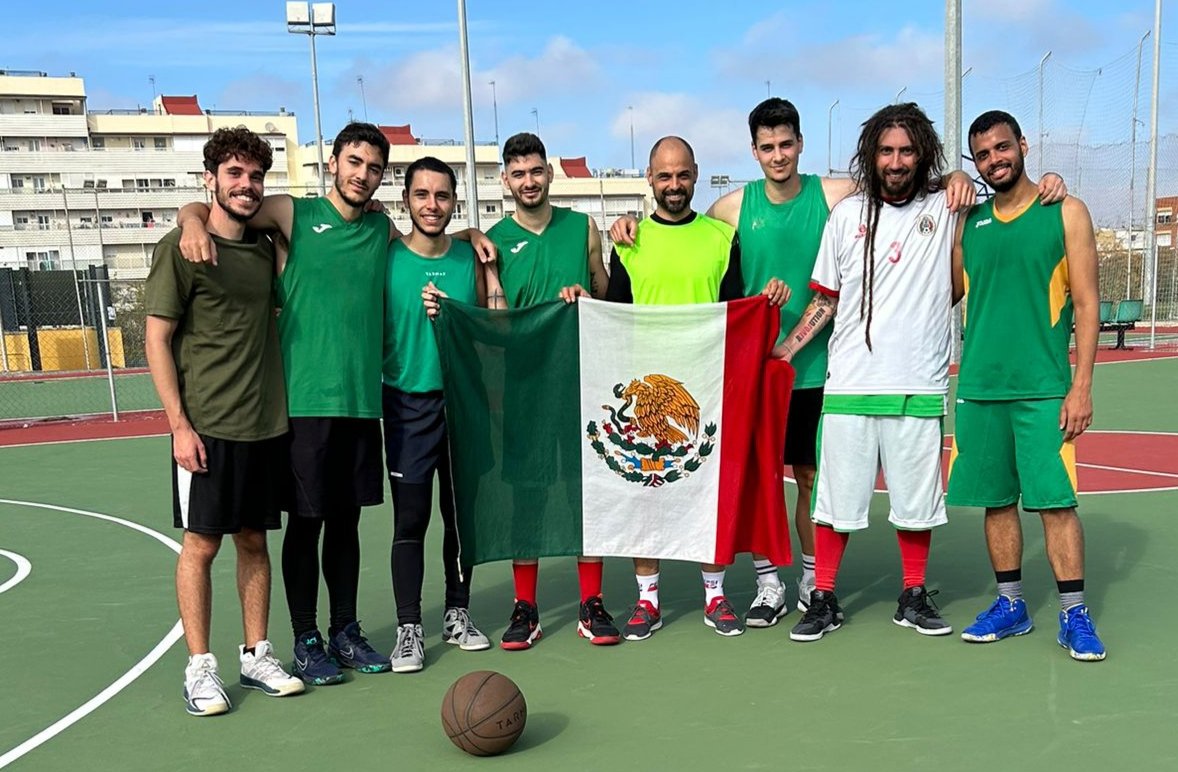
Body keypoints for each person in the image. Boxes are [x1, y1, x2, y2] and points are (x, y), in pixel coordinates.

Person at [611, 99, 977, 627]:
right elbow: (675, 226)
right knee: (759, 477)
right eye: (767, 147)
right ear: (753, 151)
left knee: (809, 477)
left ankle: (812, 582)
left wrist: (955, 176)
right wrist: (630, 221)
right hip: (751, 370)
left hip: (821, 368)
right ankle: (767, 584)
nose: (778, 155)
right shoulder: (729, 212)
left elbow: (900, 178)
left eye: (786, 144)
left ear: (800, 144)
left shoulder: (835, 195)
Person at [178, 123, 494, 684]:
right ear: (332, 162)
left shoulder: (379, 229)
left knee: (346, 523)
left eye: (373, 167)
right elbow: (227, 205)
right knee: (306, 523)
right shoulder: (292, 215)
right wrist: (189, 218)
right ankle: (305, 637)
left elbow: (428, 241)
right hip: (301, 405)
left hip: (360, 405)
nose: (361, 174)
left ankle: (345, 630)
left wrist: (470, 234)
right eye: (354, 162)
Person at [146, 127, 304, 716]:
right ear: (210, 178)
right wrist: (177, 426)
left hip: (264, 426)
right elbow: (157, 339)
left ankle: (257, 652)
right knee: (201, 545)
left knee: (254, 543)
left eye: (255, 176)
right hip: (206, 425)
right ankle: (199, 667)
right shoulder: (181, 248)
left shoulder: (264, 250)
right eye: (234, 174)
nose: (246, 185)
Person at [606, 135, 789, 640]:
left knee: (710, 494)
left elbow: (736, 315)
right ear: (649, 178)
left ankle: (715, 594)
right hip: (648, 394)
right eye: (663, 176)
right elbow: (612, 317)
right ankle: (648, 602)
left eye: (682, 175)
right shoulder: (629, 241)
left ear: (696, 174)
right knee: (647, 496)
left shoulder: (720, 237)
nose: (674, 185)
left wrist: (766, 301)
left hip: (706, 389)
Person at [948, 110, 1105, 661]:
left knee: (1055, 504)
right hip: (980, 387)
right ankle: (1011, 605)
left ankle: (1074, 614)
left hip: (1044, 389)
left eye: (1002, 148)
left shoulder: (1066, 211)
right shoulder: (969, 223)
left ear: (1024, 146)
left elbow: (1087, 304)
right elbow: (944, 292)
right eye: (984, 154)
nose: (995, 160)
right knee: (996, 504)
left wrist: (1081, 385)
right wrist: (948, 192)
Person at [482, 132, 620, 650]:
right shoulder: (493, 240)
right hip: (525, 391)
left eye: (536, 171)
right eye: (518, 173)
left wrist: (588, 293)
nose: (528, 181)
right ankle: (526, 607)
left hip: (582, 384)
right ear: (505, 180)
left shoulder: (583, 228)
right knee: (528, 499)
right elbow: (493, 321)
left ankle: (592, 602)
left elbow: (606, 290)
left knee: (587, 493)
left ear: (550, 173)